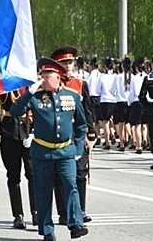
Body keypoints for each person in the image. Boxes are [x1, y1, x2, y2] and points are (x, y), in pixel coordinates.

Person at [11, 58, 88, 241]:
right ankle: (46, 230)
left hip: (66, 152)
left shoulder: (72, 96)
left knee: (71, 185)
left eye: (48, 76)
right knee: (43, 191)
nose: (43, 79)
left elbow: (81, 125)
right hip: (42, 152)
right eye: (42, 75)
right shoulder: (35, 97)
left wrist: (78, 148)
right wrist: (28, 93)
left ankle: (75, 224)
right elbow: (15, 112)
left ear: (58, 77)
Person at [50, 46, 95, 226]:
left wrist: (91, 133)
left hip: (77, 134)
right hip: (59, 134)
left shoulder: (80, 84)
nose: (67, 66)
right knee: (59, 175)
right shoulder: (51, 84)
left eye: (70, 62)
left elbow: (88, 110)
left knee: (80, 173)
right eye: (63, 63)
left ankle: (80, 210)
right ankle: (63, 212)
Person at [0, 88, 37, 229]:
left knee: (33, 174)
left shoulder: (35, 86)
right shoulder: (8, 86)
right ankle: (18, 215)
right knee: (13, 176)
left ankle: (36, 212)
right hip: (10, 132)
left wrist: (35, 132)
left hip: (30, 130)